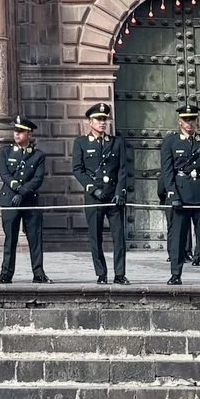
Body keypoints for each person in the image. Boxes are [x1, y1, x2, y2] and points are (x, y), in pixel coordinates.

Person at [73, 102, 131, 284]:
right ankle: (101, 274)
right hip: (94, 196)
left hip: (113, 195)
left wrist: (120, 192)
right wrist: (92, 188)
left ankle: (120, 274)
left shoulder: (117, 142)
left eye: (104, 119)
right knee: (95, 237)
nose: (102, 122)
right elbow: (77, 169)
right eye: (98, 119)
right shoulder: (81, 143)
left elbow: (123, 169)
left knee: (119, 238)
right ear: (90, 122)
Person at [159, 104, 200, 286]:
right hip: (181, 195)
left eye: (192, 119)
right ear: (180, 122)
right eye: (186, 120)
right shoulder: (171, 141)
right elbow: (167, 172)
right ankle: (176, 273)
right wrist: (172, 194)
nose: (190, 123)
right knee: (178, 237)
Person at [0, 116, 47, 283]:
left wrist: (23, 193)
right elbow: (4, 174)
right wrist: (17, 189)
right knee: (10, 239)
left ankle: (38, 273)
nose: (17, 134)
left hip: (29, 200)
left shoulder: (38, 156)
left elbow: (38, 179)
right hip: (10, 199)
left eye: (21, 131)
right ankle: (6, 274)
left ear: (29, 134)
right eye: (15, 131)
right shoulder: (6, 152)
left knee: (35, 238)